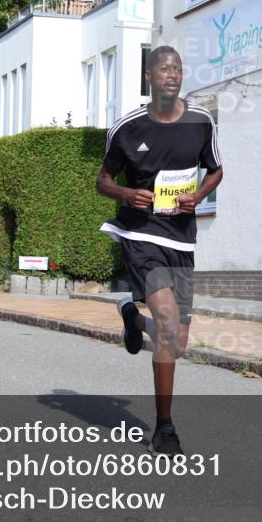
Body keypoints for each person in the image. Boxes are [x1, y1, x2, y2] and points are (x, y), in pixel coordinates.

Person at [96, 47, 223, 455]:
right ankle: (164, 429)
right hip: (141, 235)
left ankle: (131, 317)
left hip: (181, 238)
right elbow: (103, 181)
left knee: (177, 343)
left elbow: (216, 169)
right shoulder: (127, 128)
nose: (173, 75)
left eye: (179, 69)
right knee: (167, 319)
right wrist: (126, 192)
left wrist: (199, 196)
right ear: (149, 76)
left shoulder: (201, 121)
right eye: (165, 68)